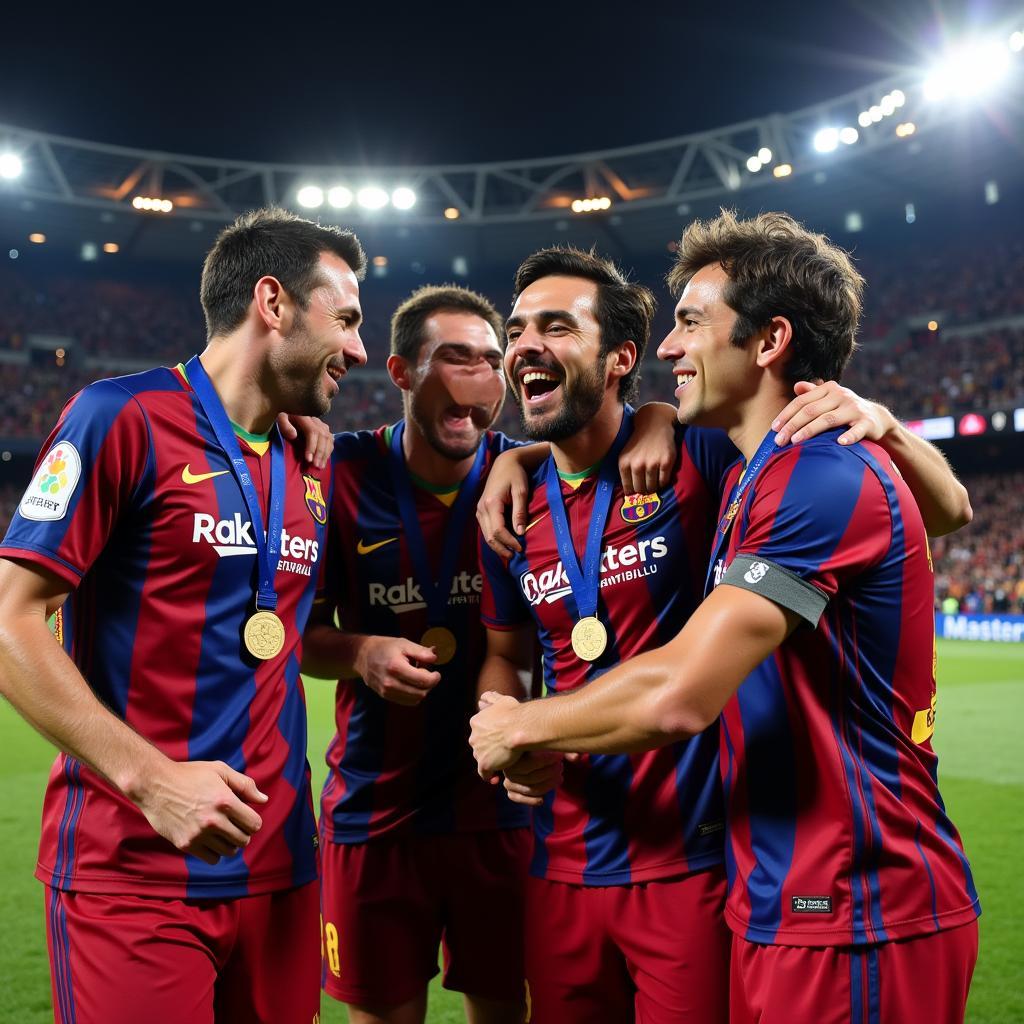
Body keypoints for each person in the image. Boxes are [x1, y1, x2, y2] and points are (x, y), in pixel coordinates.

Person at [470, 212, 978, 1024]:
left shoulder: (818, 472)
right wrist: (517, 455)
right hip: (781, 893)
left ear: (769, 341)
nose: (670, 349)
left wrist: (518, 726)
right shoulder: (755, 476)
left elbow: (679, 694)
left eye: (690, 323)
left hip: (856, 901)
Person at [0, 207, 368, 1024]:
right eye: (344, 319)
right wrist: (152, 780)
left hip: (279, 873)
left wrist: (361, 653)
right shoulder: (118, 417)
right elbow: (10, 622)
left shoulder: (309, 462)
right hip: (134, 866)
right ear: (272, 303)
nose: (359, 350)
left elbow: (275, 629)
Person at [303, 282, 677, 1024]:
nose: (478, 376)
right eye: (454, 358)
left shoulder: (529, 472)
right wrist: (361, 652)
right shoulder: (339, 473)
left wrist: (658, 417)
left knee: (507, 1009)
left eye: (488, 359)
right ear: (403, 372)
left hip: (504, 809)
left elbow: (606, 430)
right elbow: (299, 637)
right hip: (376, 810)